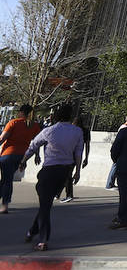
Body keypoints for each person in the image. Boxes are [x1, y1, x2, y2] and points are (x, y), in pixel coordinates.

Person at [19, 103, 83, 250]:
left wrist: (23, 161)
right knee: (46, 205)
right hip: (65, 172)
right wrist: (77, 171)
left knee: (45, 205)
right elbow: (78, 152)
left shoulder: (49, 130)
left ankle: (42, 241)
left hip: (49, 170)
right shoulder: (77, 131)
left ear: (56, 116)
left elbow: (32, 146)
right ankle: (32, 231)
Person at [0, 105, 41, 214]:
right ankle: (4, 202)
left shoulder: (13, 122)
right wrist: (37, 155)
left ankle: (5, 205)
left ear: (21, 112)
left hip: (8, 155)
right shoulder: (34, 125)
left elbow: (2, 138)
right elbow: (37, 143)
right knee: (5, 179)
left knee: (7, 180)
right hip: (23, 157)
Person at [58, 114, 91, 203]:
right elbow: (87, 145)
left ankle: (69, 194)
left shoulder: (72, 130)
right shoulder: (85, 131)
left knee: (67, 174)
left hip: (69, 154)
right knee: (67, 174)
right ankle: (58, 193)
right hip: (78, 154)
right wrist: (86, 158)